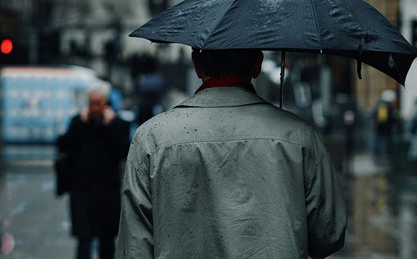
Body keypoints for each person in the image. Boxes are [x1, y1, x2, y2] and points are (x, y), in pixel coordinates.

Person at [118, 49, 347, 258]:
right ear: (257, 64)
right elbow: (329, 234)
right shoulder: (299, 136)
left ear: (197, 64)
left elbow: (134, 249)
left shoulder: (151, 138)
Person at [55, 82, 131, 259]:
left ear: (106, 103)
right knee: (84, 240)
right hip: (81, 191)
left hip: (107, 192)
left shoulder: (117, 124)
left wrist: (109, 126)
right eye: (91, 103)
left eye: (98, 103)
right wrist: (81, 124)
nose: (95, 108)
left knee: (107, 242)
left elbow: (122, 150)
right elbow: (63, 144)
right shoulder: (79, 121)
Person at [373, 89, 399, 164]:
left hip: (382, 127)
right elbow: (382, 118)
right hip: (384, 128)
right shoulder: (384, 104)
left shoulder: (382, 104)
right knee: (381, 142)